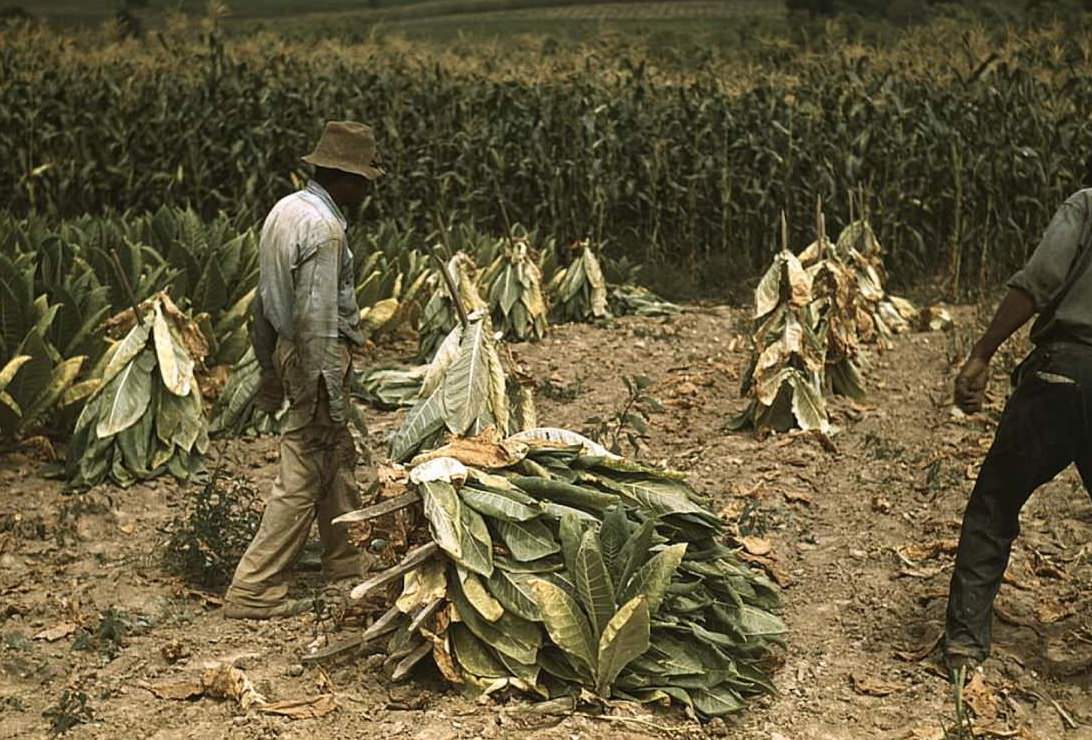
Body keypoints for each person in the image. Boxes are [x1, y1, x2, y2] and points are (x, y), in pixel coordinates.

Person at [223, 121, 383, 619]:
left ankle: (344, 559)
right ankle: (255, 588)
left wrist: (270, 372)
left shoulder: (286, 210)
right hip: (318, 357)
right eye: (361, 180)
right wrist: (326, 392)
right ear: (343, 178)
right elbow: (315, 320)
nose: (365, 189)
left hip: (295, 353)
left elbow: (262, 301)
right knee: (304, 466)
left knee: (336, 456)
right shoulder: (325, 229)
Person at [945, 182, 1092, 674]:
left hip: (1061, 374)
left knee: (995, 503)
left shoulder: (1087, 205)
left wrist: (981, 353)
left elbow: (1038, 281)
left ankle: (965, 645)